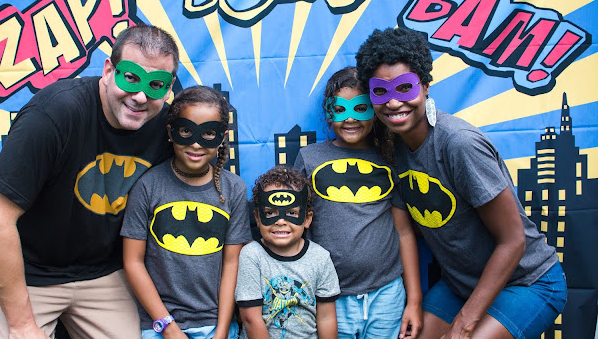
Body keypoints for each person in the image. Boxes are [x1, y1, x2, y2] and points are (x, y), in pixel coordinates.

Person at [355, 27, 567, 339]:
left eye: (404, 88)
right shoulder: (393, 147)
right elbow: (404, 232)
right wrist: (414, 303)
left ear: (425, 86)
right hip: (462, 283)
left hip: (528, 281)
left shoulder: (459, 144)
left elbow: (513, 241)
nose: (393, 103)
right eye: (380, 93)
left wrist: (464, 323)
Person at [0, 24, 179, 338]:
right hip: (27, 273)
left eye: (156, 84)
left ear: (168, 88)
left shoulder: (166, 125)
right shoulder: (55, 113)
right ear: (109, 69)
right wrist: (21, 325)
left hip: (103, 272)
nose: (140, 96)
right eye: (131, 78)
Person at [294, 66, 422, 339]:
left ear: (375, 110)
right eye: (340, 110)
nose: (350, 119)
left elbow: (404, 231)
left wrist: (414, 300)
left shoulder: (389, 158)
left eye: (360, 108)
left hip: (386, 295)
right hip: (329, 296)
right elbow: (297, 229)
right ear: (328, 112)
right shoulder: (309, 158)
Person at [121, 85, 251, 339]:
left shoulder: (233, 188)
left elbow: (232, 262)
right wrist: (168, 328)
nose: (195, 144)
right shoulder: (148, 186)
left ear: (222, 137)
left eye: (208, 134)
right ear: (171, 132)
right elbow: (132, 262)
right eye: (186, 131)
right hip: (159, 325)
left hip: (215, 324)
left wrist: (222, 331)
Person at [235, 166, 340, 339]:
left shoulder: (320, 258)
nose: (281, 221)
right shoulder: (251, 256)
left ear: (307, 218)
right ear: (257, 218)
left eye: (291, 213)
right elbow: (250, 318)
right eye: (270, 213)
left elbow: (327, 317)